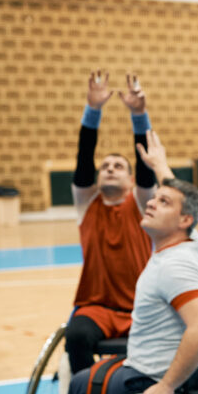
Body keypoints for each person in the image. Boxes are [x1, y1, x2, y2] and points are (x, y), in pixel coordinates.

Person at [65, 129, 198, 394]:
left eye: (162, 202)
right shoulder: (190, 242)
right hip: (159, 355)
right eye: (155, 198)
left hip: (154, 373)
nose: (152, 203)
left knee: (81, 385)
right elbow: (182, 199)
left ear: (183, 219)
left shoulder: (173, 265)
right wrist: (161, 164)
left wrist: (166, 386)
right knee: (80, 345)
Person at [65, 70, 156, 374]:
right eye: (104, 166)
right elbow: (82, 159)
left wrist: (139, 115)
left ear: (131, 180)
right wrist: (93, 111)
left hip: (141, 306)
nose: (110, 168)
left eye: (118, 166)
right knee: (75, 336)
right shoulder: (87, 203)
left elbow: (146, 167)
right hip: (97, 308)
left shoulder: (142, 203)